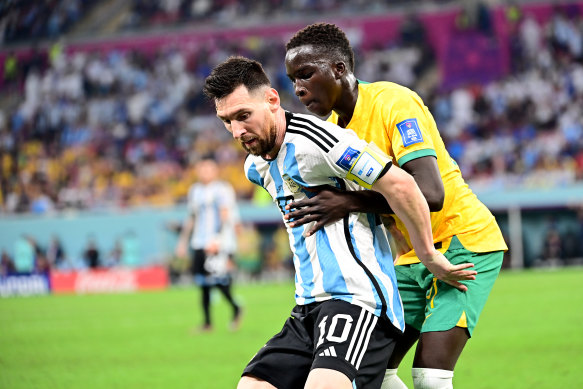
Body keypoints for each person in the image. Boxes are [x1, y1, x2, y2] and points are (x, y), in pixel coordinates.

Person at [203, 56, 476, 389]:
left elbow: (402, 185)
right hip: (307, 307)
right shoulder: (255, 167)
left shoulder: (319, 140)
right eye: (226, 121)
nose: (237, 131)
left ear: (272, 100)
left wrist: (428, 254)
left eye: (243, 116)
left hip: (358, 300)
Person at [284, 23, 508, 388]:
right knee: (370, 370)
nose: (299, 88)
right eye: (293, 79)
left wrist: (348, 202)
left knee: (430, 377)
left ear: (339, 69)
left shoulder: (393, 102)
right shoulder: (337, 131)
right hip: (408, 259)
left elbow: (430, 194)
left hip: (462, 243)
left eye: (307, 74)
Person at [175, 156, 242, 332]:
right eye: (201, 169)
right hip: (199, 241)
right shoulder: (194, 190)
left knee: (218, 280)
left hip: (216, 243)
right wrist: (182, 242)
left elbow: (225, 214)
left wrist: (217, 240)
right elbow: (191, 217)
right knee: (202, 283)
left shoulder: (222, 189)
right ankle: (207, 323)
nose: (204, 172)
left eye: (208, 169)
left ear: (215, 171)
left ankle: (236, 307)